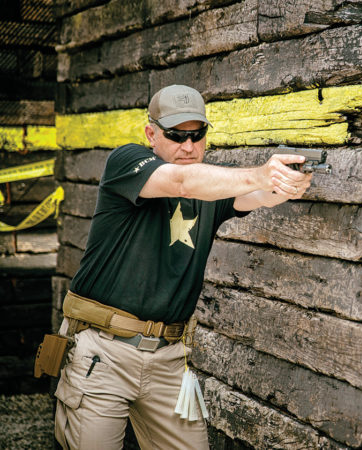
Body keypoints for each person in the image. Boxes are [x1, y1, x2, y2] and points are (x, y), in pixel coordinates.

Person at [53, 84, 312, 449]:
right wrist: (261, 174)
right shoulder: (127, 160)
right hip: (104, 350)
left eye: (197, 135)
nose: (188, 146)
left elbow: (259, 195)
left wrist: (288, 183)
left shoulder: (209, 186)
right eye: (176, 135)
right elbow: (181, 183)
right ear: (151, 134)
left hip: (170, 356)